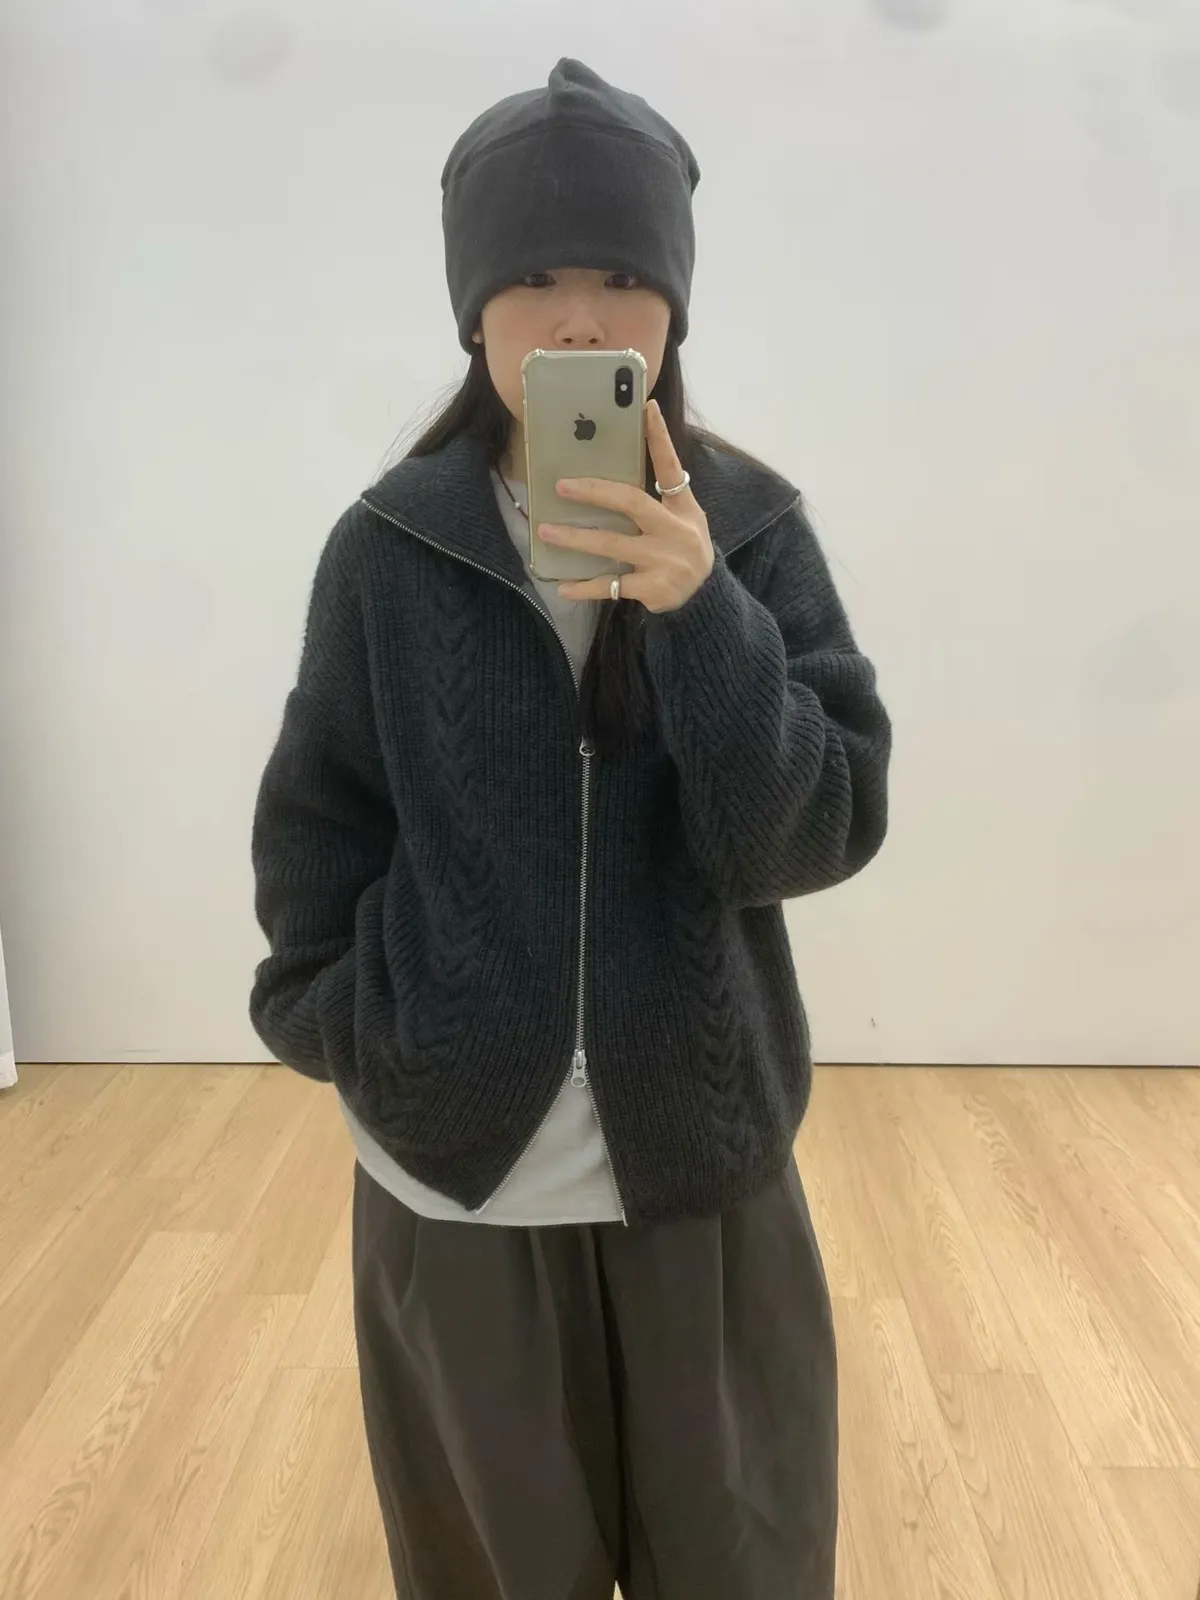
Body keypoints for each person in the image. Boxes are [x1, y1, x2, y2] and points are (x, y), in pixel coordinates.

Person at [250, 56, 891, 1600]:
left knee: (739, 1570)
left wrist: (704, 615)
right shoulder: (388, 549)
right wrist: (369, 1033)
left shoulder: (752, 533)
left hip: (700, 1176)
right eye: (535, 280)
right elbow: (317, 832)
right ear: (474, 310)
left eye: (622, 276)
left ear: (676, 304)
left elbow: (819, 831)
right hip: (457, 1183)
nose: (585, 322)